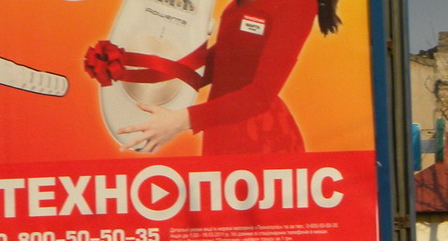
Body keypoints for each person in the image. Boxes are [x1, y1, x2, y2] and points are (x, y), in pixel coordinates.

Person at [112, 0, 341, 155]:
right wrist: (133, 72)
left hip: (260, 138)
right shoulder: (240, 3)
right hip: (220, 126)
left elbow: (262, 94)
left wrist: (180, 120)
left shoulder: (296, 4)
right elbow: (224, 58)